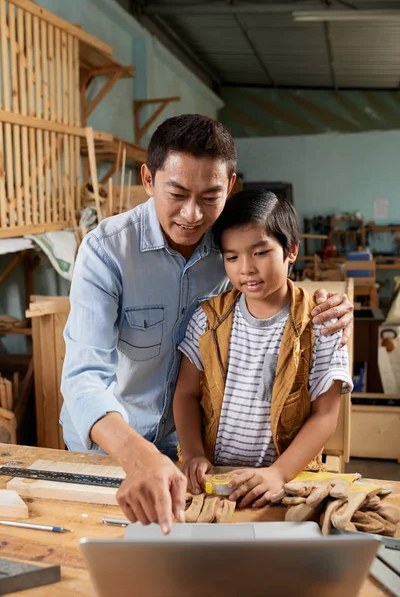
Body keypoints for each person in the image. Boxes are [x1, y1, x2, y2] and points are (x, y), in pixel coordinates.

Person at [61, 114, 354, 533]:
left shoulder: (231, 244)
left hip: (189, 452)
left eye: (210, 196)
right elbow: (84, 378)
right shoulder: (107, 251)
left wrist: (325, 305)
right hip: (112, 444)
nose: (192, 214)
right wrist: (138, 455)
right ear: (148, 179)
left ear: (230, 187)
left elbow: (272, 280)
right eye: (176, 193)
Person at [174, 189, 353, 508]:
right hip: (215, 481)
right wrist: (193, 455)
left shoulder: (322, 322)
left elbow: (326, 414)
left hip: (286, 482)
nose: (246, 268)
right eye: (232, 256)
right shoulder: (208, 319)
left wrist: (278, 474)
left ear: (291, 250)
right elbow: (186, 393)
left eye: (260, 252)